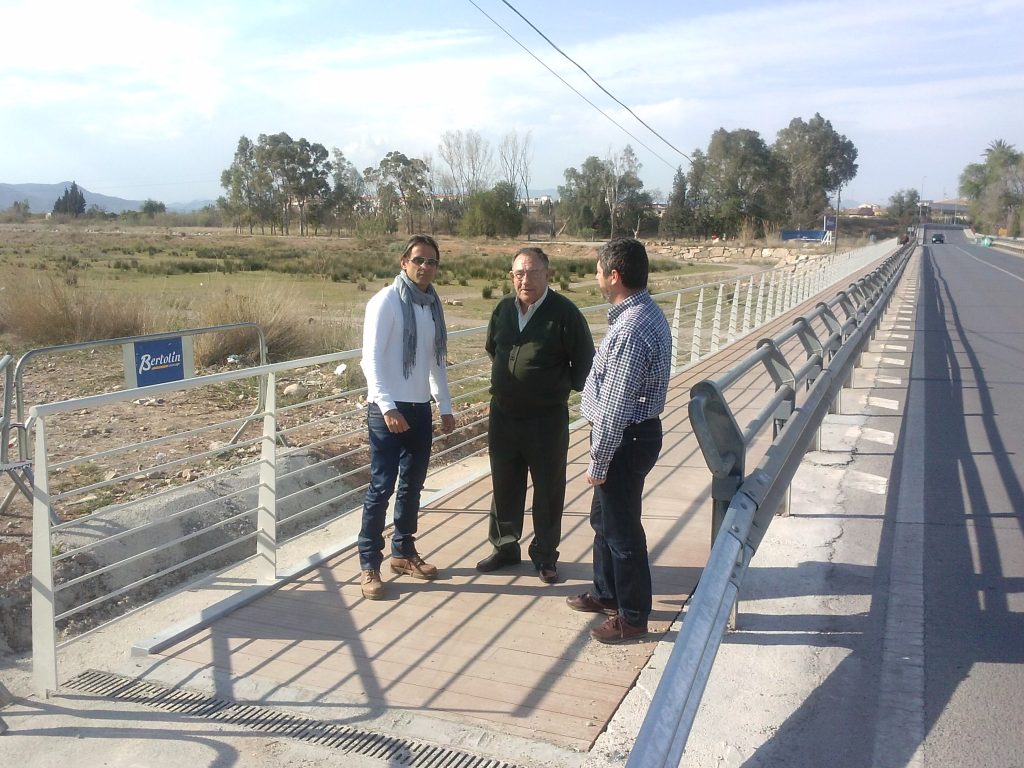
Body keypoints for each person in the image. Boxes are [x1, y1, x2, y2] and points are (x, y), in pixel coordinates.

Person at [567, 238, 671, 643]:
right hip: (629, 436)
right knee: (603, 520)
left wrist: (599, 461)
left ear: (614, 275)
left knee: (623, 531)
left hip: (624, 439)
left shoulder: (630, 328)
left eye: (597, 270)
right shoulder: (640, 313)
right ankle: (607, 592)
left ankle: (631, 616)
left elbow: (614, 408)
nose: (594, 277)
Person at [476, 247, 594, 583]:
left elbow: (585, 365)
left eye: (532, 272)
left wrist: (550, 389)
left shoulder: (565, 314)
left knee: (548, 489)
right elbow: (492, 349)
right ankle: (505, 547)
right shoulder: (502, 310)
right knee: (504, 485)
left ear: (547, 274)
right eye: (518, 273)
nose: (524, 280)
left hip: (546, 420)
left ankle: (545, 556)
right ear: (512, 276)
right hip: (503, 417)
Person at [358, 234, 455, 600]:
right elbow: (371, 360)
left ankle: (403, 551)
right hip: (388, 409)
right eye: (419, 260)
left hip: (417, 408)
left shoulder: (431, 305)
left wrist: (444, 405)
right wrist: (387, 408)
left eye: (432, 261)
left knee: (412, 486)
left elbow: (434, 361)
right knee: (381, 487)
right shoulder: (386, 302)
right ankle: (369, 563)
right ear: (404, 262)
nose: (425, 267)